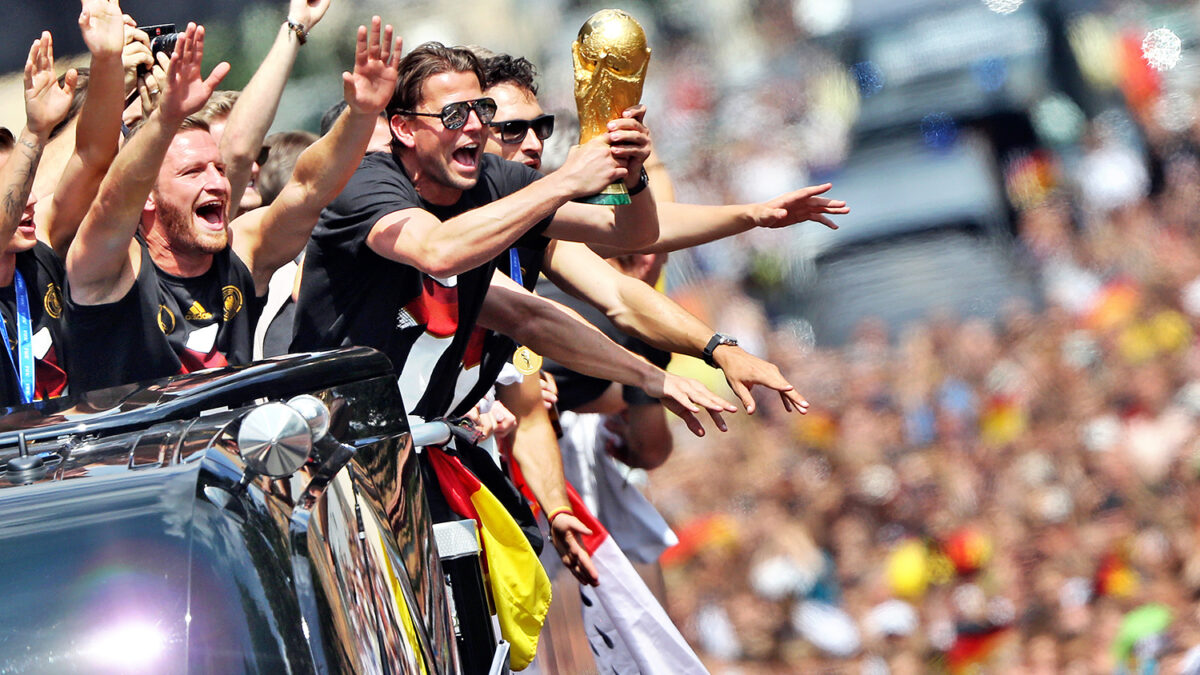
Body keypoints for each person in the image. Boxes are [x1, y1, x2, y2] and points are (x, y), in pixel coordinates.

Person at [291, 42, 734, 435]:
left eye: (482, 112)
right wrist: (563, 184)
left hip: (421, 441)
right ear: (404, 130)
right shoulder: (369, 181)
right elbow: (445, 256)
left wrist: (753, 214)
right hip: (331, 441)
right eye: (511, 128)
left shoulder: (499, 182)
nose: (475, 127)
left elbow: (633, 236)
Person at [64, 19, 402, 392]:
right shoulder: (111, 267)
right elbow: (111, 203)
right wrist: (164, 118)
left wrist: (361, 115)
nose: (217, 183)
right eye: (193, 172)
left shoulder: (241, 251)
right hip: (128, 451)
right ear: (146, 193)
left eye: (219, 169)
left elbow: (308, 189)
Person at [0, 32, 81, 406]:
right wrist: (35, 130)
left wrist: (115, 69)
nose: (28, 199)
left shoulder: (38, 257)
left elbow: (90, 158)